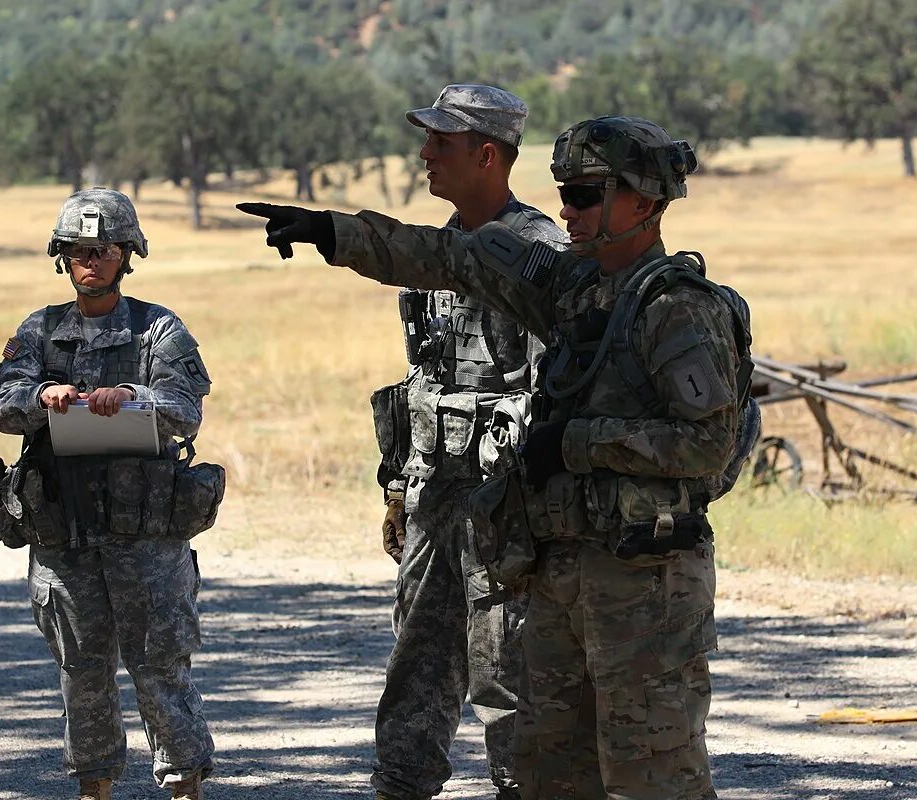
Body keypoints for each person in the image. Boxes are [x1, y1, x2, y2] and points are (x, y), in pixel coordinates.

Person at [239, 115, 756, 800]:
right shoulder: (571, 289)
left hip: (646, 578)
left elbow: (707, 445)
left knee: (651, 774)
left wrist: (574, 442)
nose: (567, 210)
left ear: (644, 201)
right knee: (549, 772)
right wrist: (334, 233)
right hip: (558, 573)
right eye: (563, 193)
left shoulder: (678, 309)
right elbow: (453, 258)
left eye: (586, 195)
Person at [368, 85, 564, 800]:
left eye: (441, 144)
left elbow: (558, 399)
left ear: (487, 155)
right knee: (415, 671)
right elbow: (421, 382)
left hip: (506, 515)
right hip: (434, 506)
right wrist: (397, 491)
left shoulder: (541, 258)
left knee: (510, 678)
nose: (424, 156)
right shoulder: (436, 259)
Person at [0, 188, 217, 800]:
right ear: (62, 257)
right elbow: (3, 407)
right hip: (65, 534)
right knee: (82, 674)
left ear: (127, 254)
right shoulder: (39, 331)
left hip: (145, 534)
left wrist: (133, 397)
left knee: (160, 668)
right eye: (79, 250)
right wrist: (43, 397)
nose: (91, 261)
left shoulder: (157, 328)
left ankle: (184, 785)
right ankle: (94, 789)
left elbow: (185, 409)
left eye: (105, 249)